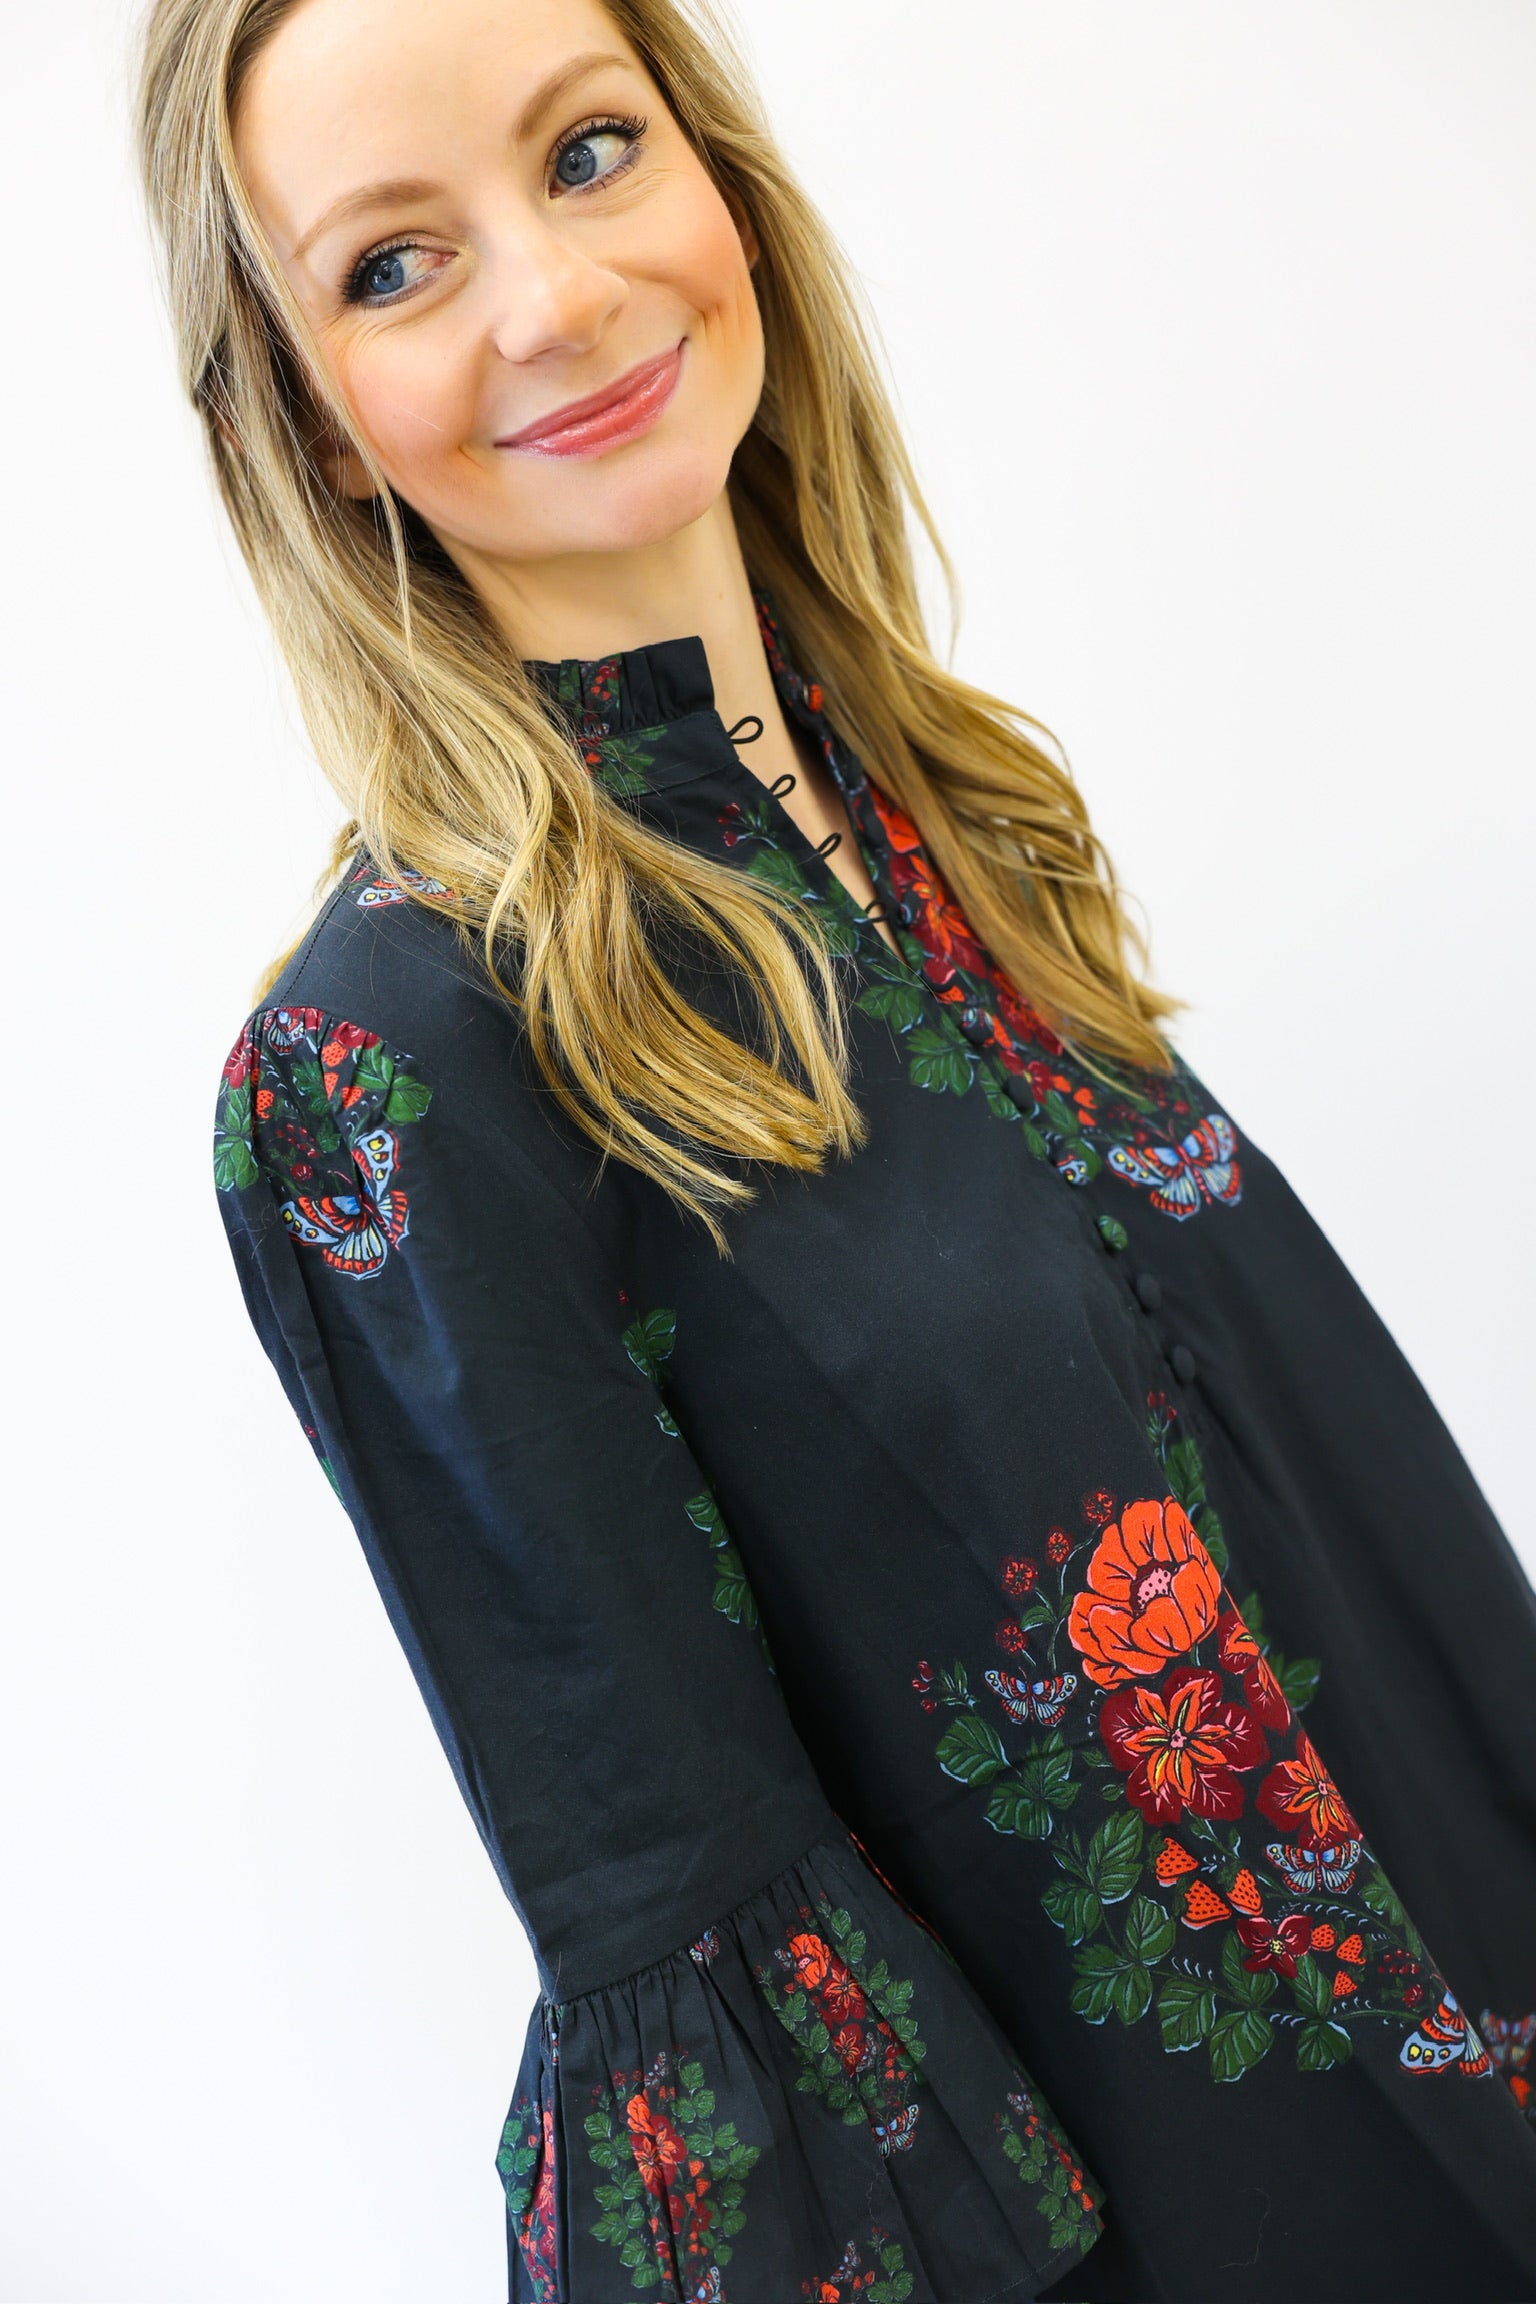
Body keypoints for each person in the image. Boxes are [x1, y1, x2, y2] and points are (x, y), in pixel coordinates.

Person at [136, 0, 1536, 2294]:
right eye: (390, 265)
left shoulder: (935, 808)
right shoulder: (393, 1066)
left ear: (719, 180)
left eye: (588, 154)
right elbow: (685, 1930)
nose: (557, 295)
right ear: (304, 419)